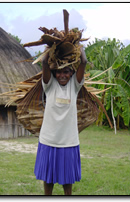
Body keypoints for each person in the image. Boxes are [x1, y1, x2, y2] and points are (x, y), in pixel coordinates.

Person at [34, 46, 87, 195]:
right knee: (48, 179)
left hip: (68, 141)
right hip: (48, 140)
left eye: (66, 72)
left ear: (71, 73)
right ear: (54, 73)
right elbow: (44, 63)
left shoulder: (74, 86)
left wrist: (78, 47)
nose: (62, 75)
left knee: (67, 181)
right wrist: (49, 48)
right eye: (59, 72)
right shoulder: (49, 85)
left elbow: (84, 62)